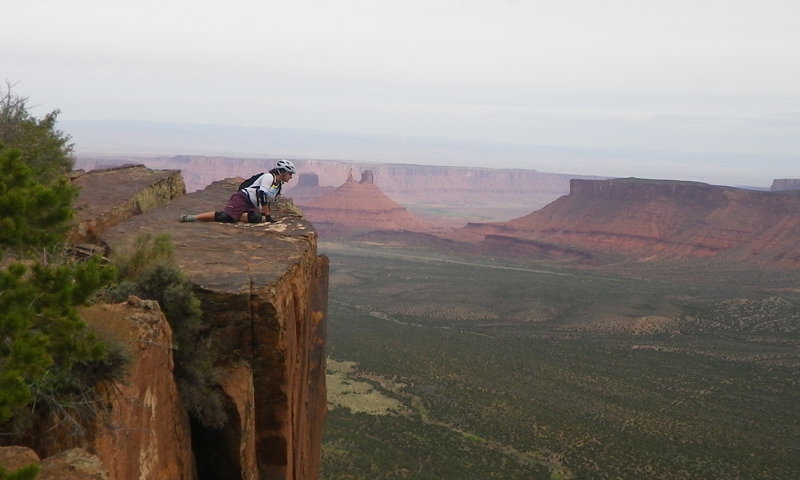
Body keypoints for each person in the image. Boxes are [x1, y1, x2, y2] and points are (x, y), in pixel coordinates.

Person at [180, 159, 296, 224]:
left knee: (256, 218)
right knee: (225, 217)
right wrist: (268, 215)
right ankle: (193, 217)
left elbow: (268, 201)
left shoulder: (278, 185)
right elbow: (261, 194)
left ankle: (236, 215)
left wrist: (265, 213)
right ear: (283, 172)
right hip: (243, 198)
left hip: (252, 204)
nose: (291, 176)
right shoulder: (268, 177)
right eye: (290, 174)